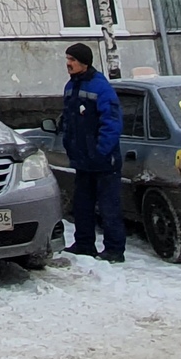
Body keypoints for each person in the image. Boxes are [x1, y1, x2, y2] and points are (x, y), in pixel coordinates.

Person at [58, 44, 125, 262]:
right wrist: (68, 143)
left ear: (84, 62)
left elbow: (112, 123)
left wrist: (101, 151)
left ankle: (114, 250)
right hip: (82, 160)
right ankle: (84, 244)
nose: (68, 63)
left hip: (104, 161)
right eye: (67, 58)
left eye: (72, 59)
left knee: (109, 208)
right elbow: (68, 119)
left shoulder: (101, 88)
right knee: (82, 206)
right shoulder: (71, 86)